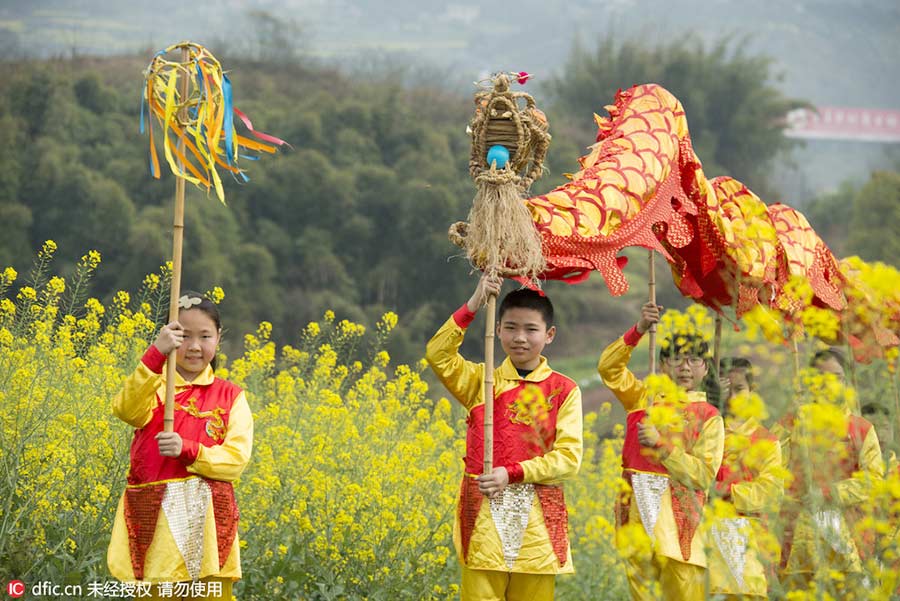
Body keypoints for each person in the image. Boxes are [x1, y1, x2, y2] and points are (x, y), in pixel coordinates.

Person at [425, 271, 583, 601]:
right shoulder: (480, 382)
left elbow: (569, 460)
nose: (520, 338)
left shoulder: (564, 390)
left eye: (531, 329)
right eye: (510, 327)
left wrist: (511, 474)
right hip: (482, 517)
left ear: (549, 334)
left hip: (539, 525)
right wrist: (474, 303)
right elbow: (438, 354)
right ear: (497, 330)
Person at [107, 292, 253, 600]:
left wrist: (189, 450)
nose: (195, 346)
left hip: (210, 530)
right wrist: (155, 355)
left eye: (205, 336)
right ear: (170, 336)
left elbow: (235, 460)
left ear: (218, 338)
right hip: (155, 521)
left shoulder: (231, 397)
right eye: (184, 336)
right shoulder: (155, 387)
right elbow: (126, 410)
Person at [597, 301, 724, 601]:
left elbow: (704, 475)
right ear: (663, 364)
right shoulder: (642, 397)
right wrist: (639, 329)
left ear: (705, 367)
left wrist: (662, 446)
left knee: (683, 588)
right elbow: (608, 368)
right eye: (677, 358)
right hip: (634, 513)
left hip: (679, 518)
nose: (684, 367)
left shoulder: (709, 416)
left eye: (693, 359)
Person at [778, 347, 884, 597]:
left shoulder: (861, 429)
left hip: (847, 532)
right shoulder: (794, 422)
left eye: (836, 377)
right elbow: (772, 467)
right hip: (799, 533)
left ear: (846, 382)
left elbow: (874, 480)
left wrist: (829, 493)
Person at [709, 357, 783, 599]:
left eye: (739, 389)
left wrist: (726, 491)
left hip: (751, 538)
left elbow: (770, 493)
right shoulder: (707, 431)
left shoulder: (766, 440)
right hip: (708, 534)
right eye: (726, 389)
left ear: (753, 390)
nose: (732, 397)